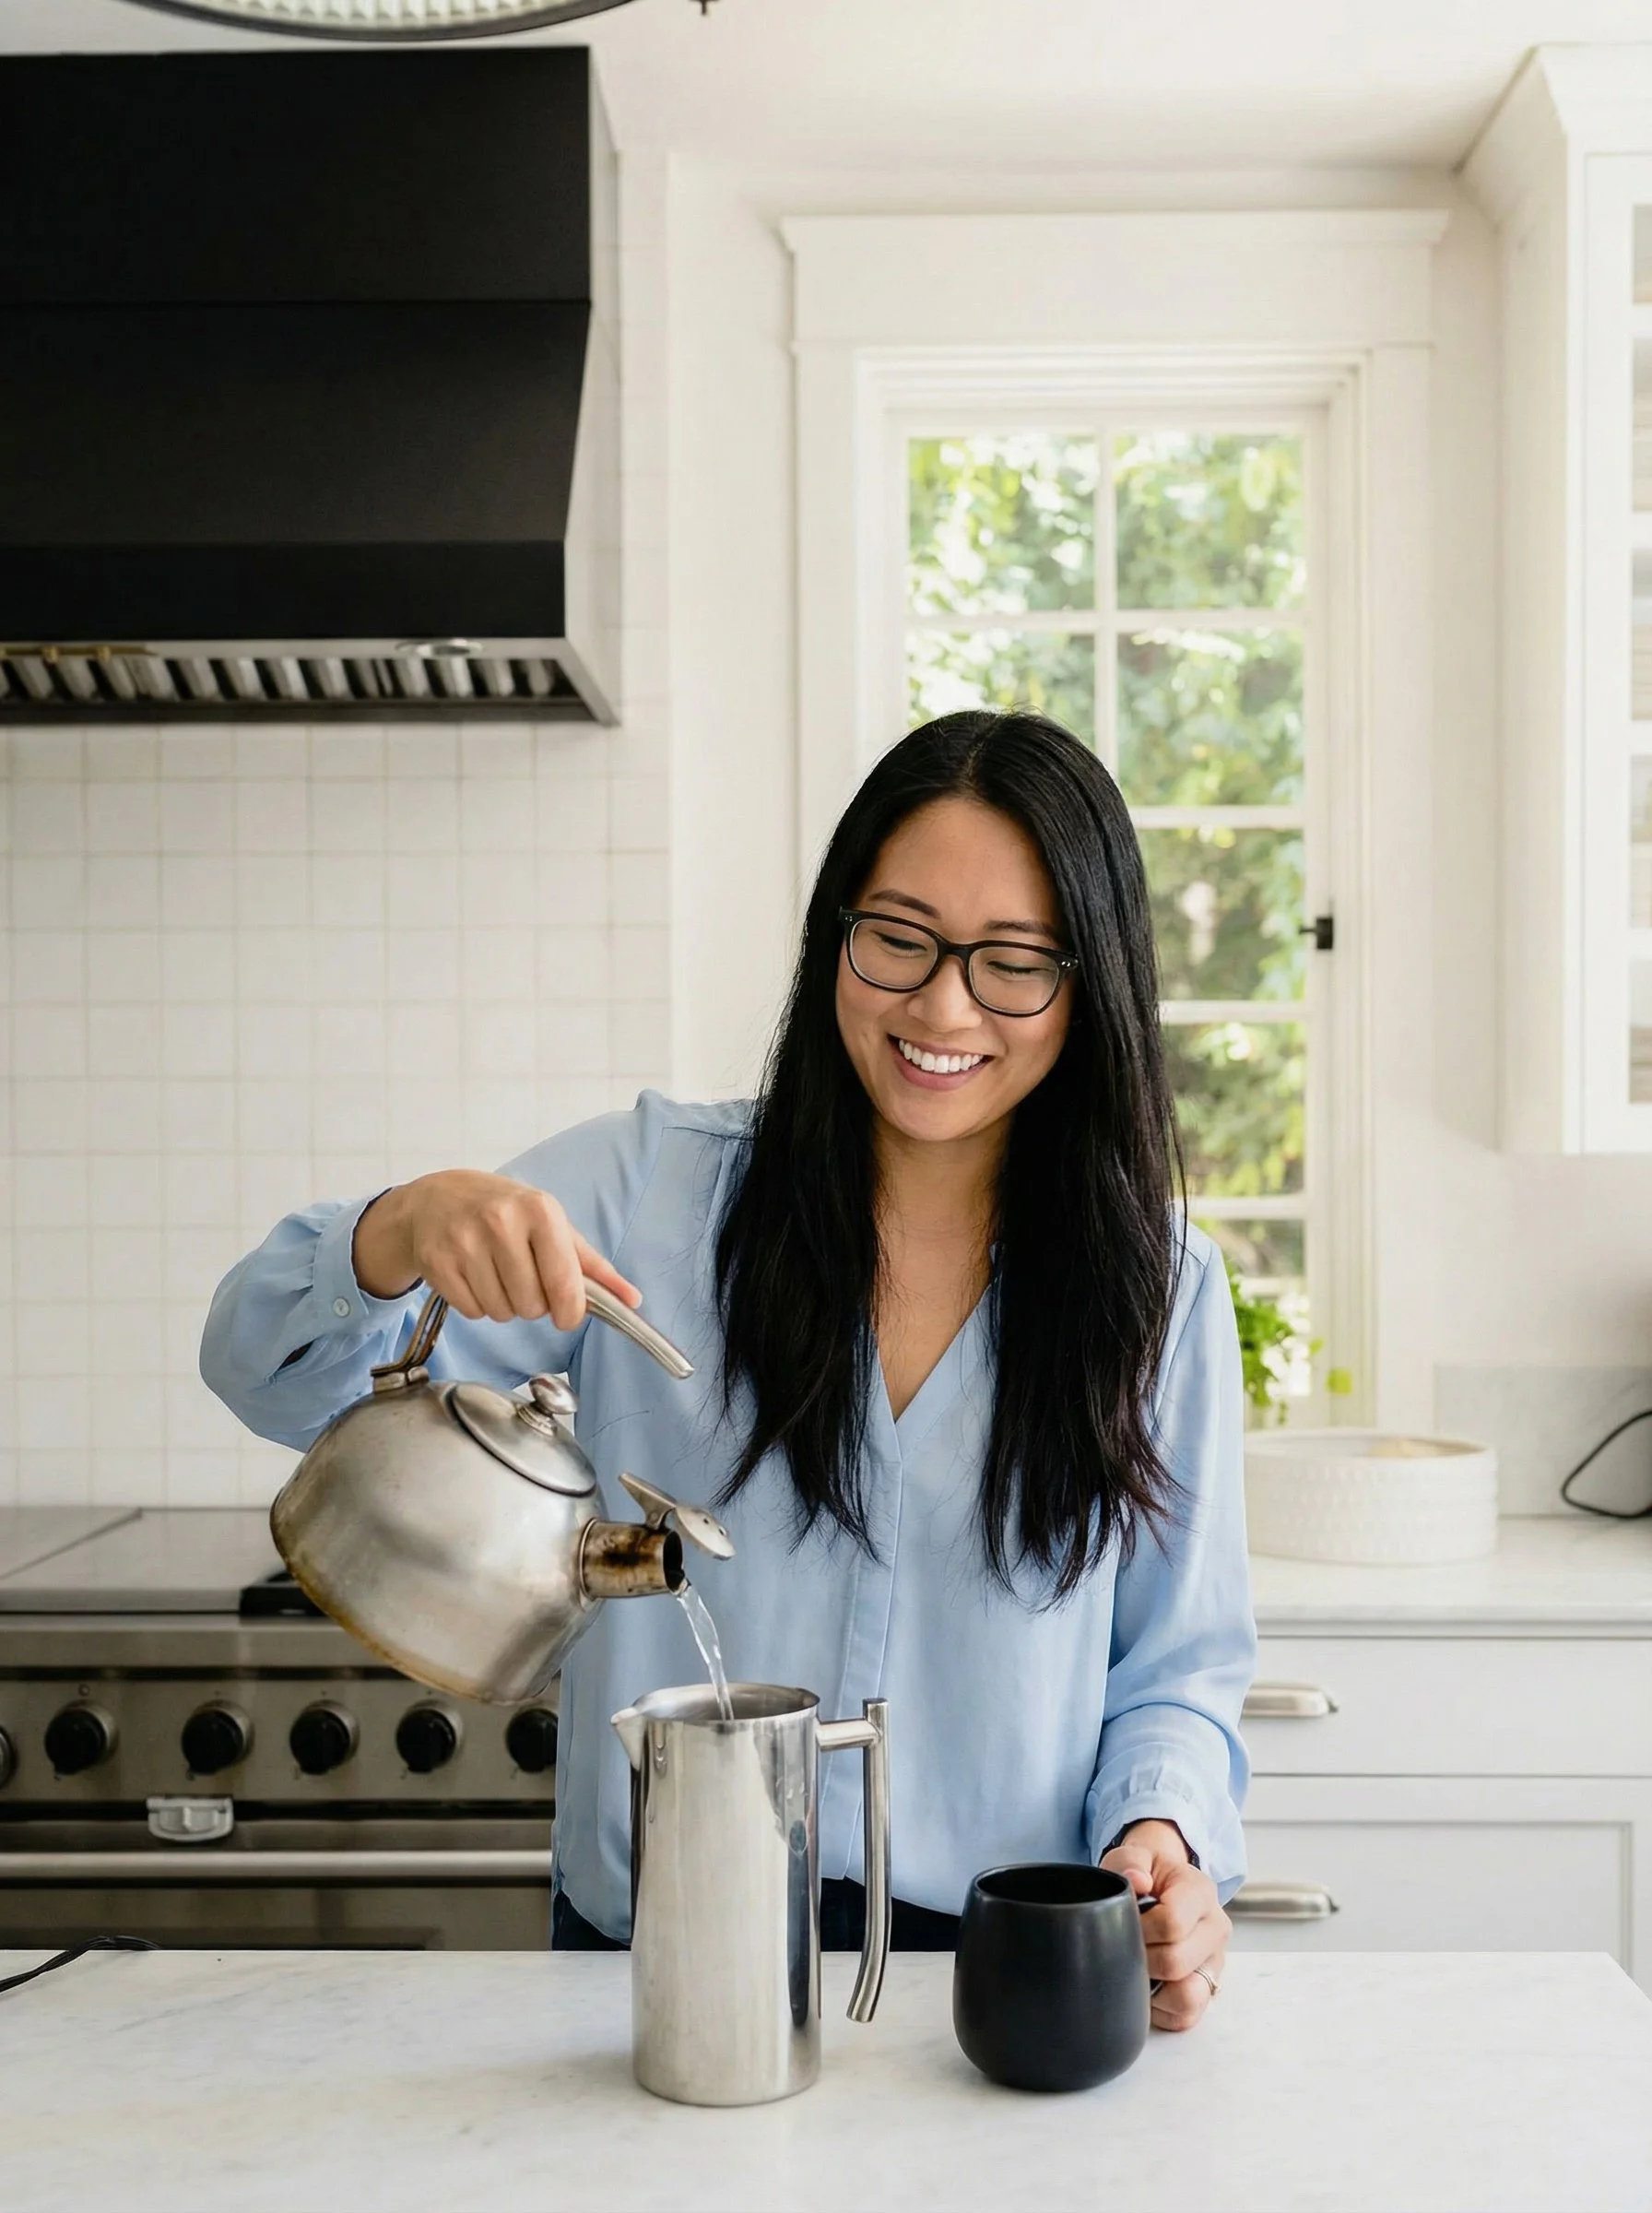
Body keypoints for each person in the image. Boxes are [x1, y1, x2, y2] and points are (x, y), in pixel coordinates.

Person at [202, 708, 1255, 2031]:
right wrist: (396, 1231)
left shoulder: (1162, 1287)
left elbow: (1178, 1667)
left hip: (996, 1981)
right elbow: (267, 1375)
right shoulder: (648, 1193)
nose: (942, 1006)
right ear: (835, 936)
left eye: (1014, 963)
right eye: (899, 939)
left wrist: (1162, 1831)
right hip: (650, 1961)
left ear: (1090, 983)